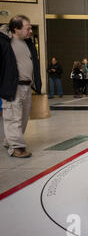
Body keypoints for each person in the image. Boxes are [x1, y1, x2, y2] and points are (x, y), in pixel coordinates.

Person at [0, 15, 42, 158]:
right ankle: (17, 147)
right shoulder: (4, 42)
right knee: (13, 118)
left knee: (23, 118)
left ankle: (9, 141)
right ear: (16, 28)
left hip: (26, 87)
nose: (30, 31)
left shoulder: (27, 42)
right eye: (27, 28)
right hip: (13, 87)